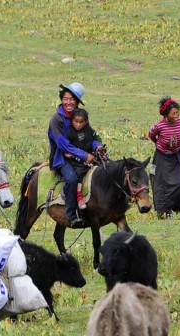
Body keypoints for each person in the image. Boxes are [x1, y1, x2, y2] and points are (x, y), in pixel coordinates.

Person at [48, 82, 104, 227]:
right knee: (72, 179)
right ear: (61, 99)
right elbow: (63, 145)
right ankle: (71, 213)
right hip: (62, 157)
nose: (68, 102)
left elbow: (90, 136)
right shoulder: (57, 119)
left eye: (72, 99)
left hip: (82, 155)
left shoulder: (79, 116)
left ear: (77, 101)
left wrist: (97, 147)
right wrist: (85, 156)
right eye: (66, 98)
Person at [148, 96, 180, 219]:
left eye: (177, 113)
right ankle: (167, 210)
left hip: (178, 155)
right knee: (164, 184)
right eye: (173, 113)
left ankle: (178, 206)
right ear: (166, 114)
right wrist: (159, 144)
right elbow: (151, 135)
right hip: (163, 157)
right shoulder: (159, 126)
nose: (176, 115)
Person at [64, 108, 104, 210]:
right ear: (71, 121)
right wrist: (66, 153)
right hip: (77, 160)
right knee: (79, 173)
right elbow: (67, 147)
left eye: (81, 122)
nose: (78, 124)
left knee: (104, 167)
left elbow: (96, 139)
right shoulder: (69, 133)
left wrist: (98, 147)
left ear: (85, 122)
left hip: (91, 157)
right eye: (76, 121)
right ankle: (79, 197)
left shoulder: (89, 130)